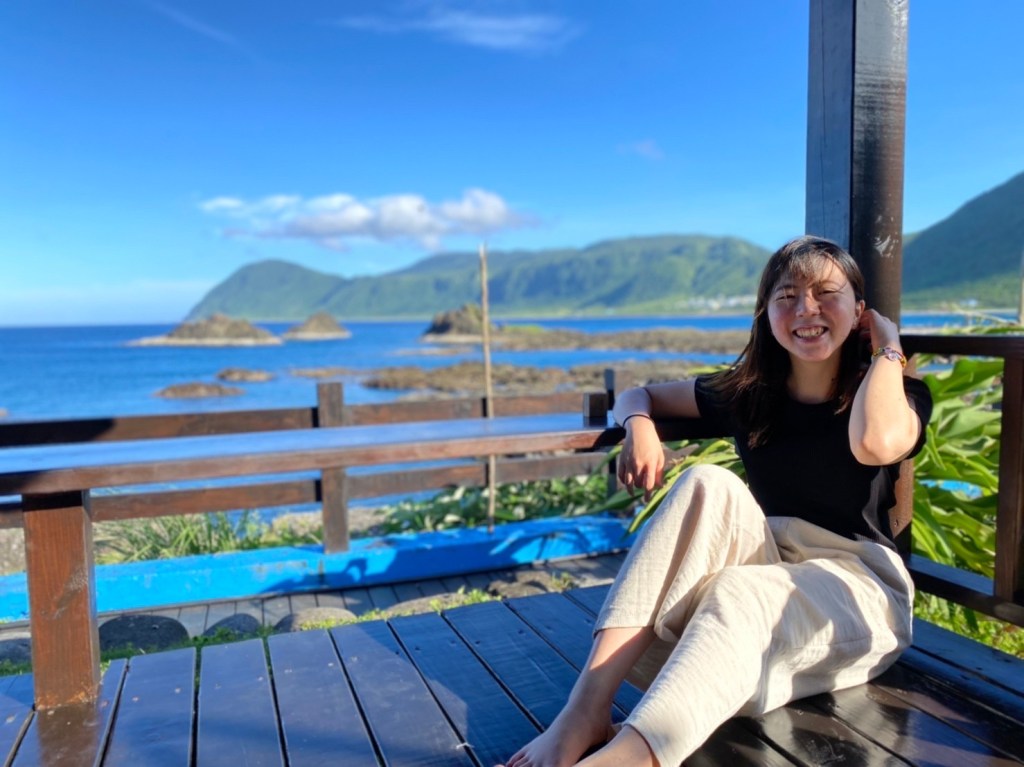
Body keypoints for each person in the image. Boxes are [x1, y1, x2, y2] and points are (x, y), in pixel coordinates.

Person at [499, 235, 933, 767]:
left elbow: (874, 442)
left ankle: (626, 758)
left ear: (860, 310)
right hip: (772, 568)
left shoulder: (894, 393)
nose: (806, 309)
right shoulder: (749, 394)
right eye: (787, 296)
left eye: (826, 293)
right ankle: (585, 710)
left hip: (858, 595)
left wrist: (888, 348)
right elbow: (641, 394)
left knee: (737, 590)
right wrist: (639, 426)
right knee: (706, 481)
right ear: (766, 313)